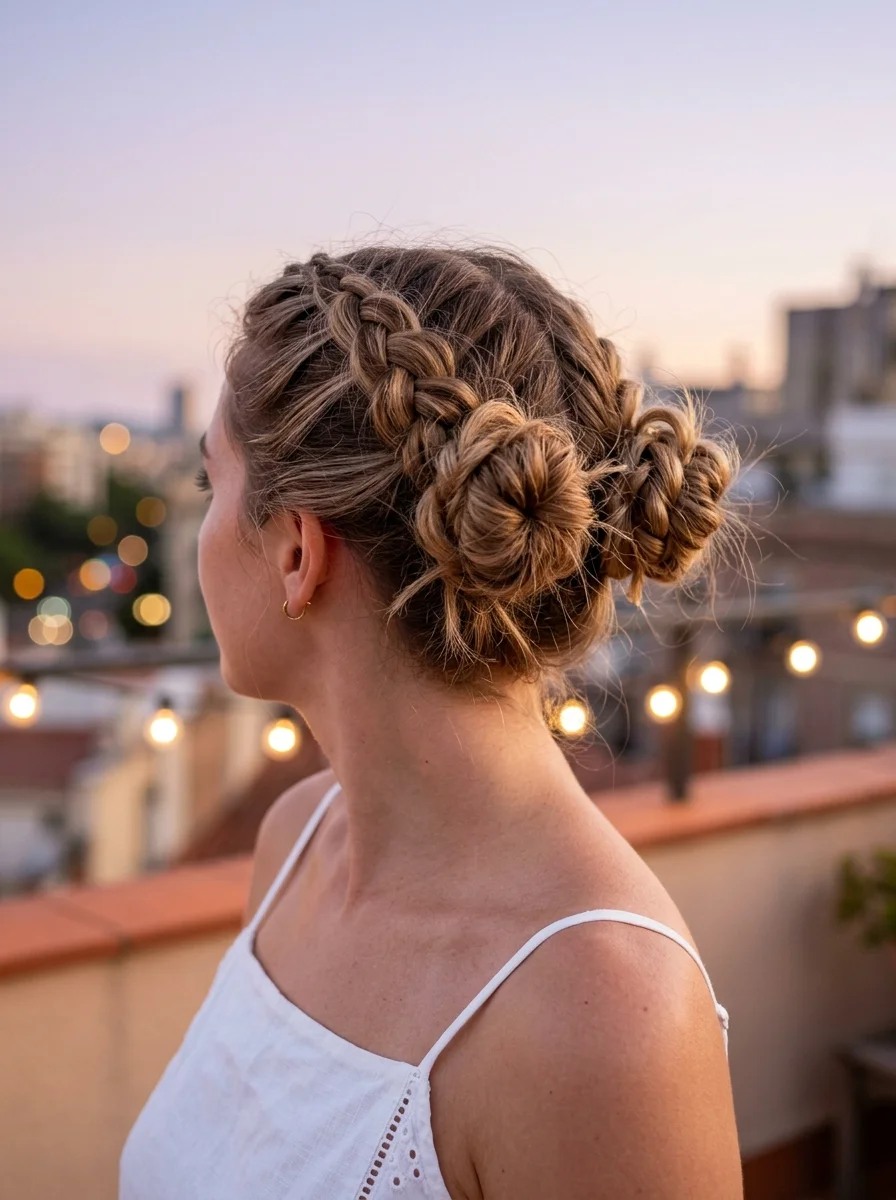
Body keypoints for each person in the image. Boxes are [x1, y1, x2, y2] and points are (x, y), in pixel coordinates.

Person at [120, 246, 742, 1198]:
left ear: (297, 551)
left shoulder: (604, 1014)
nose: (203, 529)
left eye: (213, 485)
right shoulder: (297, 846)